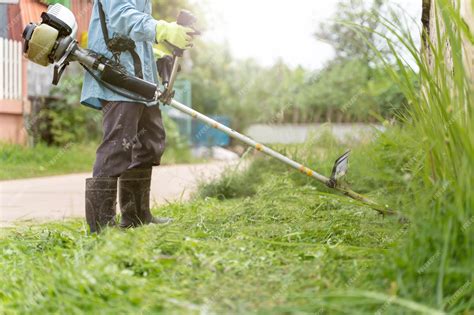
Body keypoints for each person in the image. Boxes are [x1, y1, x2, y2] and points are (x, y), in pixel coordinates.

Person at [80, 0, 194, 233]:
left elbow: (133, 29)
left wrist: (155, 53)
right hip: (118, 75)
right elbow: (122, 16)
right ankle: (101, 227)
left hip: (141, 80)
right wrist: (163, 29)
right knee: (117, 147)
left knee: (150, 143)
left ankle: (136, 216)